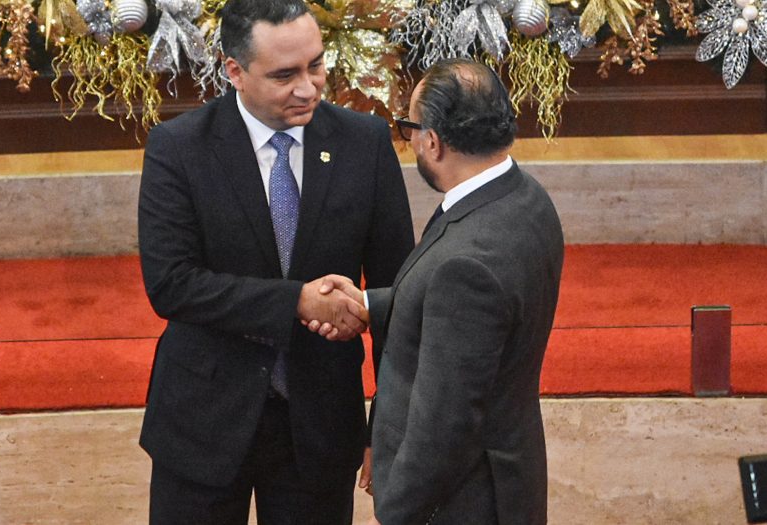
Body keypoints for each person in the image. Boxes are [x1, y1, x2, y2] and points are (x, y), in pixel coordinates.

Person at [136, 0, 415, 521]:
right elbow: (172, 284)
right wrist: (296, 302)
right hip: (202, 423)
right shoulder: (179, 147)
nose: (308, 88)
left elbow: (398, 294)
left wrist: (389, 426)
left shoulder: (366, 143)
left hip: (321, 427)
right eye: (285, 75)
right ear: (235, 71)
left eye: (316, 65)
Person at [312, 58, 564, 524]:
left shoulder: (466, 265)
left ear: (432, 141)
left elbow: (444, 426)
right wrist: (367, 304)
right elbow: (468, 317)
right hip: (508, 479)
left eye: (410, 128)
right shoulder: (525, 197)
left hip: (462, 505)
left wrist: (396, 506)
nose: (410, 142)